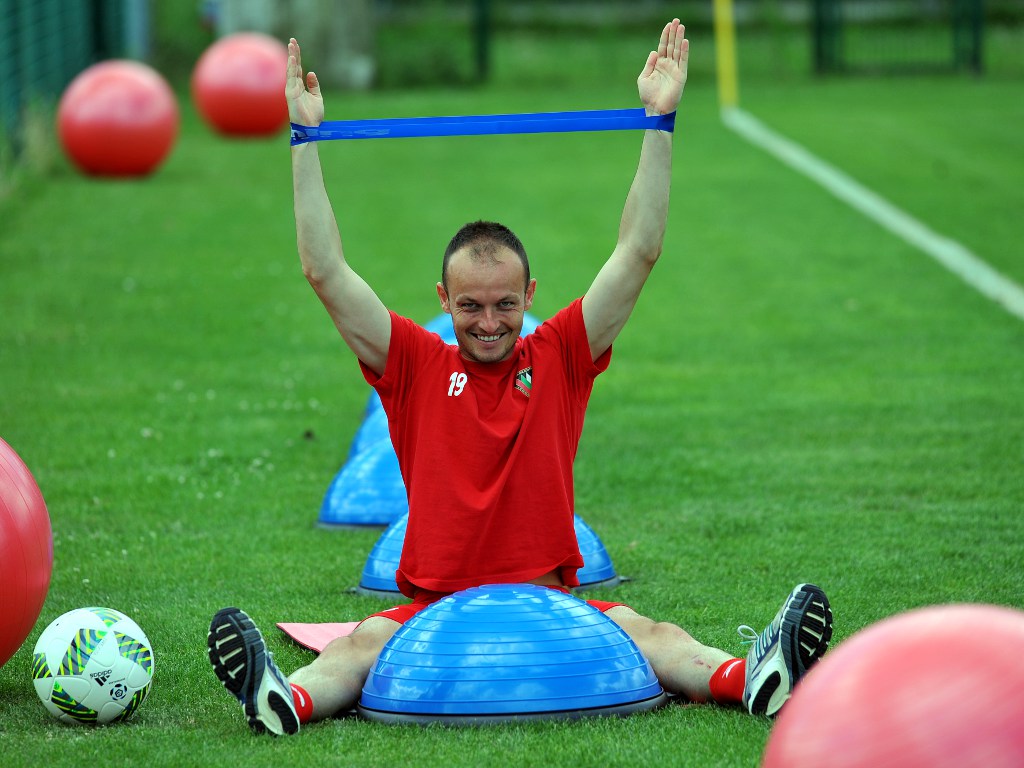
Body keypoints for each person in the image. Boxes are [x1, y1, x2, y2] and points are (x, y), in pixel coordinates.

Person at [207, 20, 833, 736]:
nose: (489, 322)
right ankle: (284, 699)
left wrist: (659, 122)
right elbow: (325, 271)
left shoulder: (562, 353)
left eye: (505, 304)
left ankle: (750, 676)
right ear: (443, 301)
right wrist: (304, 139)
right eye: (469, 306)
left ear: (529, 295)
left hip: (552, 605)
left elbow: (638, 251)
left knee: (657, 636)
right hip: (433, 609)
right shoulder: (412, 363)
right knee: (357, 647)